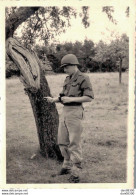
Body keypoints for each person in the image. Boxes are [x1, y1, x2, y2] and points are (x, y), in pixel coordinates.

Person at [44, 54, 94, 183]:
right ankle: (66, 166)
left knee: (74, 142)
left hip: (75, 112)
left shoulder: (84, 78)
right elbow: (63, 97)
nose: (64, 70)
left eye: (66, 67)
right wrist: (54, 99)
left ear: (73, 65)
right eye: (64, 68)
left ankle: (76, 171)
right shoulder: (67, 79)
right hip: (65, 112)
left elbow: (89, 97)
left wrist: (71, 99)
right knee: (62, 141)